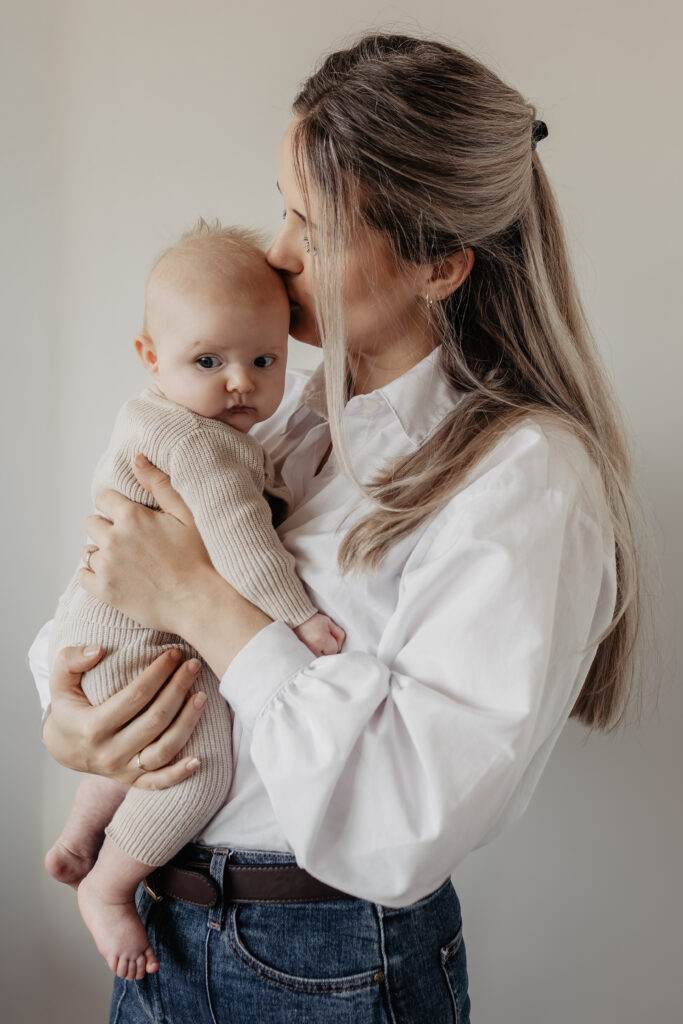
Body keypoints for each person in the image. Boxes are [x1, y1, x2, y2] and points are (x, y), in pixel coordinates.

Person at [31, 33, 642, 1024]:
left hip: (321, 963)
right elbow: (114, 575)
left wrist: (208, 603)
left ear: (439, 265)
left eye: (308, 229)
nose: (272, 254)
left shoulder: (525, 480)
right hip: (162, 922)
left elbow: (403, 822)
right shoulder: (282, 420)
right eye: (280, 205)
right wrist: (70, 714)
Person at [44, 221, 344, 981]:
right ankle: (108, 889)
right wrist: (298, 618)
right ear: (151, 357)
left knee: (138, 739)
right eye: (208, 360)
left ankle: (82, 832)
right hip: (139, 641)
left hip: (106, 636)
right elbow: (244, 546)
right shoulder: (202, 444)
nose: (240, 381)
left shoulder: (157, 417)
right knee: (198, 764)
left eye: (262, 359)